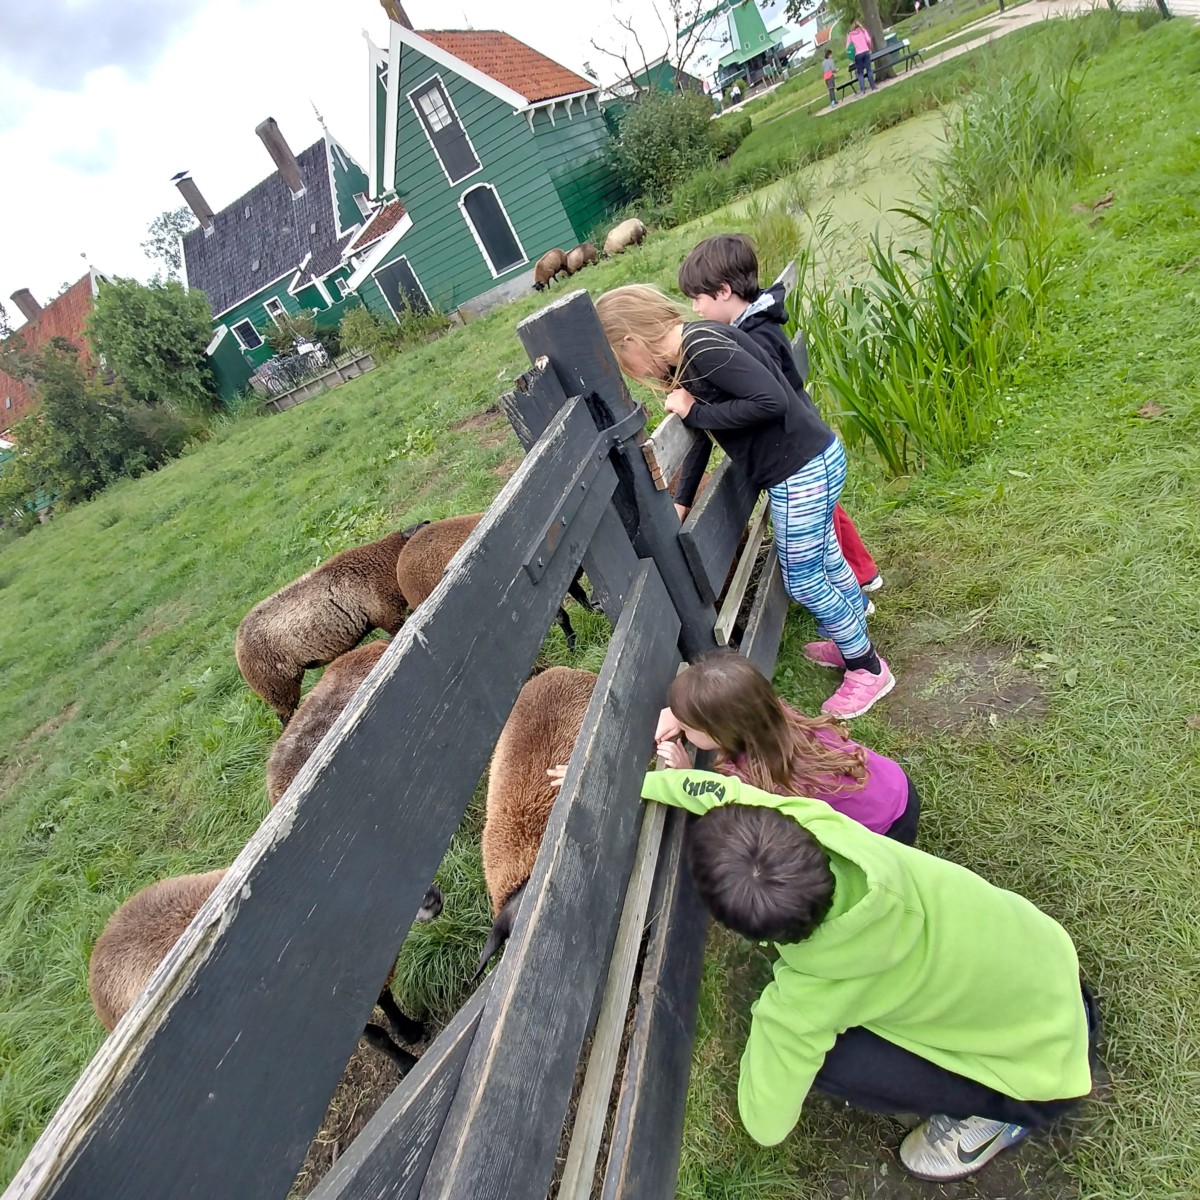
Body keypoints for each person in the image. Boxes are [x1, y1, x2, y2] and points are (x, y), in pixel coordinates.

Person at [638, 765, 1099, 1182]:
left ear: (747, 931)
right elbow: (728, 794)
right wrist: (653, 782)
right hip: (1047, 959)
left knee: (833, 1061)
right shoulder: (825, 827)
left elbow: (766, 1125)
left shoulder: (805, 1002)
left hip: (1044, 1075)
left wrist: (772, 1027)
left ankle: (999, 1118)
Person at [595, 284, 894, 718]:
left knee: (803, 580)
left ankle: (867, 668)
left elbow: (771, 400)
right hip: (809, 462)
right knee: (828, 558)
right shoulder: (692, 354)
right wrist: (682, 500)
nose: (630, 370)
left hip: (800, 472)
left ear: (630, 340)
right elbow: (701, 439)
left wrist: (694, 412)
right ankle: (850, 636)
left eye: (623, 360)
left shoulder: (702, 348)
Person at [677, 233, 883, 596]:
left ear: (723, 291)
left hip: (794, 445)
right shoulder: (758, 324)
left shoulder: (753, 336)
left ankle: (859, 580)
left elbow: (767, 396)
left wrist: (704, 409)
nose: (695, 309)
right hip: (803, 435)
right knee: (827, 517)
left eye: (698, 298)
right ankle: (861, 577)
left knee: (820, 527)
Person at [652, 651, 919, 843]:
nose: (682, 727)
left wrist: (688, 777)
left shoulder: (755, 778)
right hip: (897, 785)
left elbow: (733, 823)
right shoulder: (770, 715)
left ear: (720, 732)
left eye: (687, 726)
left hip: (885, 832)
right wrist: (682, 711)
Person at [846, 21, 877, 95]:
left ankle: (862, 90)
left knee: (860, 73)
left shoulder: (850, 35)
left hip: (857, 54)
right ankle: (873, 87)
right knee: (869, 70)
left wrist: (851, 55)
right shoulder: (863, 31)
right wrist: (869, 47)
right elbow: (868, 40)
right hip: (866, 51)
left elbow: (847, 47)